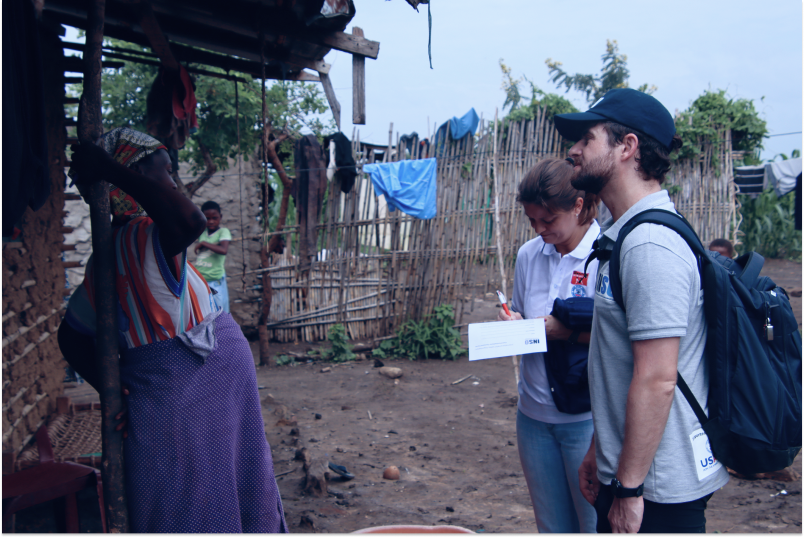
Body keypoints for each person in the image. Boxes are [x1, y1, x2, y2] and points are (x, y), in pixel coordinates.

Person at [57, 128, 287, 534]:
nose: (172, 183)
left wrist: (112, 388)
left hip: (206, 385)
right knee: (199, 497)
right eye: (162, 174)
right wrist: (111, 169)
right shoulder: (144, 236)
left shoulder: (122, 249)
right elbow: (191, 219)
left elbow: (71, 338)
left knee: (205, 494)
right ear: (135, 177)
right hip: (183, 388)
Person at [554, 88, 729, 534]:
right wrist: (601, 448)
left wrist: (630, 489)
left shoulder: (650, 245)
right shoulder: (626, 234)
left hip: (657, 487)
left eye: (586, 139)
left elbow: (657, 377)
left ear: (627, 147)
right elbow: (620, 362)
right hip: (634, 472)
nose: (573, 151)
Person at [497, 158, 600, 534]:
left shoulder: (604, 257)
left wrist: (565, 333)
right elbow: (526, 316)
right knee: (552, 526)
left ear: (577, 206)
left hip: (586, 421)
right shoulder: (529, 255)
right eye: (532, 221)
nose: (540, 230)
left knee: (593, 523)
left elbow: (622, 338)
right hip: (533, 417)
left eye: (548, 221)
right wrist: (514, 324)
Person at [194, 200, 232, 312]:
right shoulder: (202, 232)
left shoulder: (223, 232)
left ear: (220, 217)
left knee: (218, 312)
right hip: (200, 279)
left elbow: (223, 250)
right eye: (207, 218)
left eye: (214, 218)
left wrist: (204, 243)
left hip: (215, 280)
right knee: (202, 312)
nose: (210, 221)